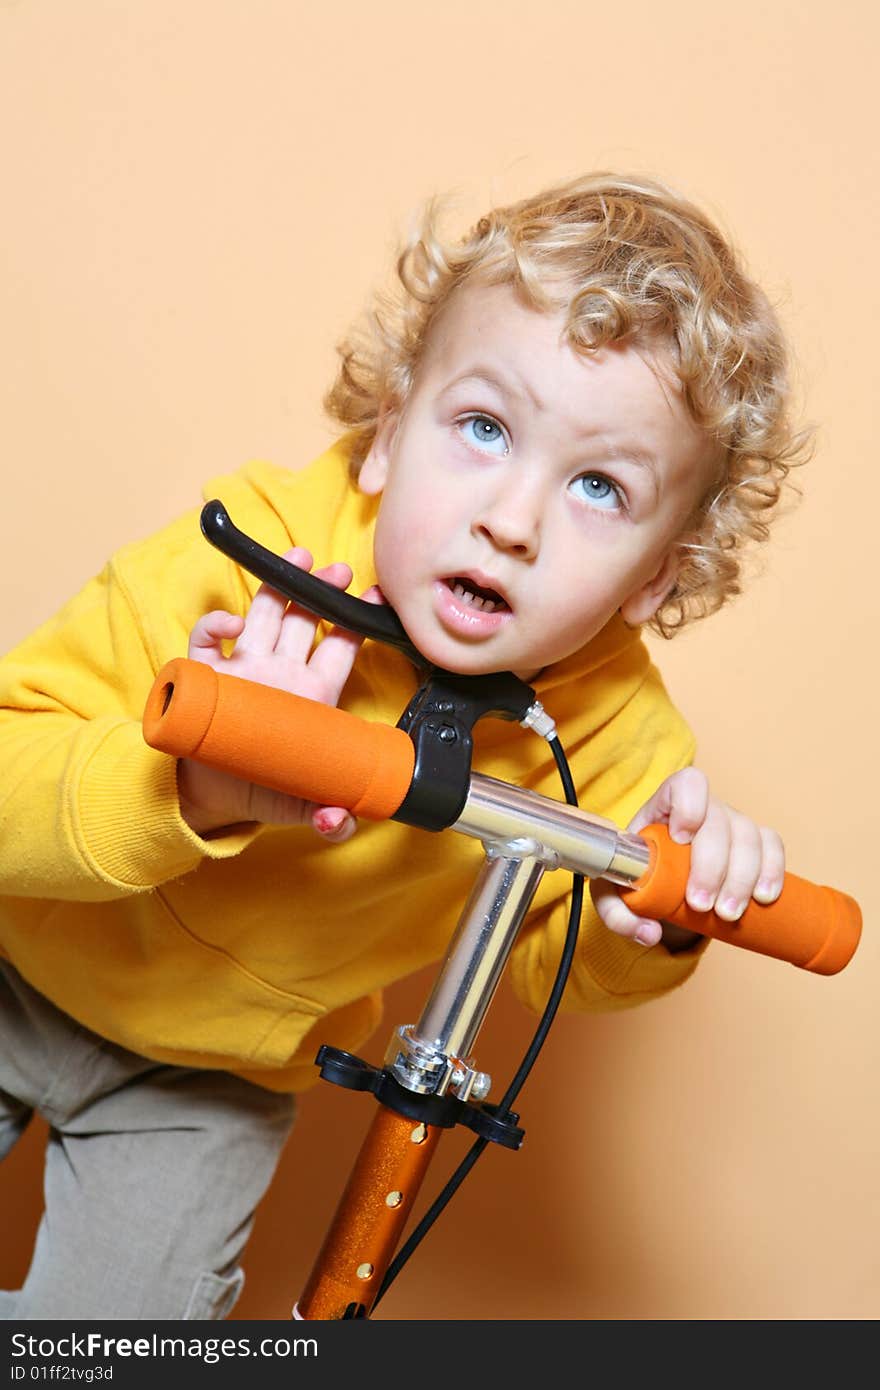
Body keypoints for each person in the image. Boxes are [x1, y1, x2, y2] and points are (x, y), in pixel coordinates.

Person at [0, 172, 808, 1319]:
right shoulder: (246, 553)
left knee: (124, 1347)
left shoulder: (621, 737)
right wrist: (188, 782)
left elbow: (546, 954)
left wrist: (652, 915)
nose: (512, 520)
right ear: (386, 434)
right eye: (483, 428)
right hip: (18, 952)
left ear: (655, 577)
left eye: (596, 486)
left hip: (205, 1079)